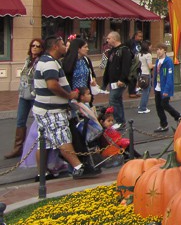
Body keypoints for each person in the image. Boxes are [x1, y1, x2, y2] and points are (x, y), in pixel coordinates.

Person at [32, 35, 97, 180]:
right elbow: (52, 85)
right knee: (62, 137)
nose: (65, 47)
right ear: (55, 46)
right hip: (51, 110)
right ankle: (79, 167)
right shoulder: (49, 63)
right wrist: (69, 95)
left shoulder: (49, 61)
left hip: (44, 108)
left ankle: (42, 173)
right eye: (62, 45)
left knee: (45, 142)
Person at [5, 38, 43, 158]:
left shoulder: (40, 61)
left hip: (34, 95)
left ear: (42, 48)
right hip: (23, 94)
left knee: (39, 121)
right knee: (20, 120)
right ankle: (18, 148)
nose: (34, 48)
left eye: (37, 46)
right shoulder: (28, 60)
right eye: (33, 45)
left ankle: (37, 147)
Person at [102, 31, 133, 130]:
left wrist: (122, 79)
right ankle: (121, 121)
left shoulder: (124, 50)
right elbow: (108, 66)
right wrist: (105, 81)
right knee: (117, 100)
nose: (107, 41)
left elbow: (126, 66)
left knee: (113, 99)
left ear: (115, 39)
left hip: (119, 81)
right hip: (112, 81)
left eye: (109, 38)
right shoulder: (112, 51)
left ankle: (119, 120)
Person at [152, 43, 181, 132]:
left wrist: (166, 90)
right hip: (158, 87)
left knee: (164, 104)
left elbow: (169, 76)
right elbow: (156, 74)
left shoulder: (168, 61)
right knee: (158, 107)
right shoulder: (157, 61)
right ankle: (164, 124)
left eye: (160, 49)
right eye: (157, 49)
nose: (158, 51)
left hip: (164, 88)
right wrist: (154, 86)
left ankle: (178, 116)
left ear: (165, 50)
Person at [137, 40, 154, 114]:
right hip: (146, 74)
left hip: (141, 74)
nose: (151, 47)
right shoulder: (148, 55)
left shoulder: (139, 54)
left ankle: (141, 105)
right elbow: (150, 66)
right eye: (150, 46)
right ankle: (142, 108)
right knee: (146, 92)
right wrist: (156, 65)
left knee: (146, 90)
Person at [126, 30, 143, 98]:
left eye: (141, 36)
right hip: (132, 62)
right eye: (139, 36)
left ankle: (134, 91)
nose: (141, 38)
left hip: (138, 62)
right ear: (135, 36)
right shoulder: (130, 42)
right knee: (132, 77)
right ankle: (131, 92)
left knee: (136, 77)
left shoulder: (140, 43)